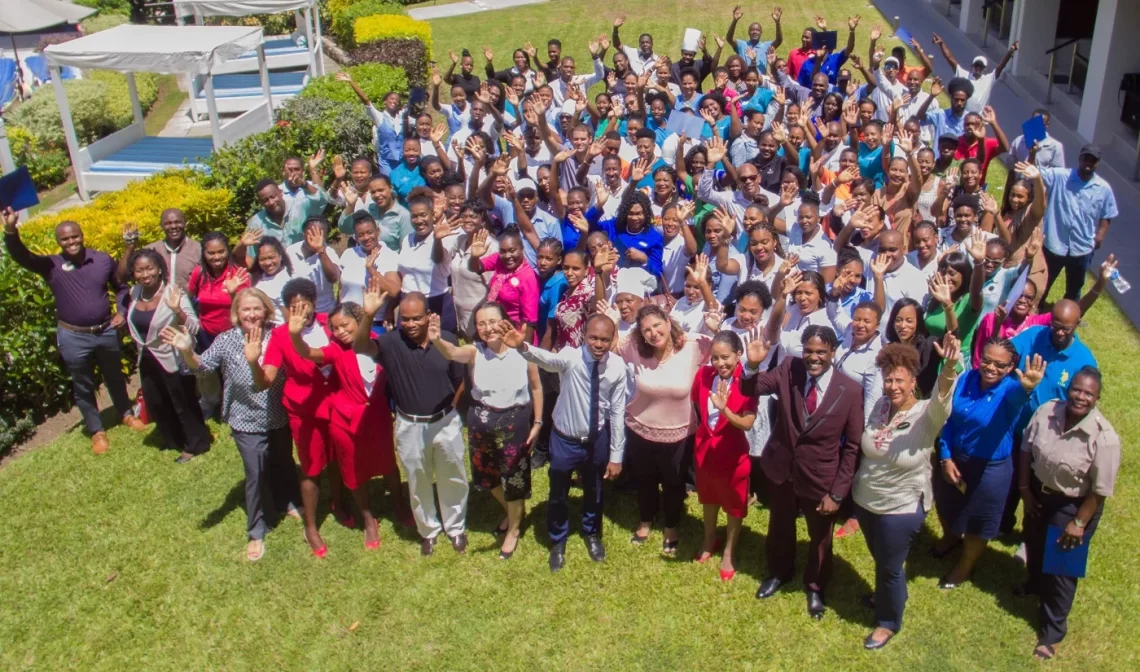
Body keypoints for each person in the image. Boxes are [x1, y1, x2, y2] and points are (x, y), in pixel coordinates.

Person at [162, 288, 302, 562]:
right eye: (245, 309)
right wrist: (188, 351)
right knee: (255, 473)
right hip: (245, 419)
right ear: (236, 313)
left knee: (283, 461)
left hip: (278, 413)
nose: (252, 314)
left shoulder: (278, 335)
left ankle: (286, 501)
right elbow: (202, 368)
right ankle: (256, 531)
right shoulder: (226, 340)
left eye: (257, 308)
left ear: (266, 311)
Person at [740, 325, 864, 619]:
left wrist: (837, 493)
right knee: (780, 526)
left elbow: (852, 447)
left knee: (820, 537)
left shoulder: (850, 390)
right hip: (782, 468)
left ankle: (816, 586)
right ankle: (779, 572)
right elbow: (750, 389)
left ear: (833, 352)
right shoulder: (788, 368)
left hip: (820, 477)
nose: (814, 357)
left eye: (821, 352)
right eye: (809, 350)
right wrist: (752, 365)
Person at [2, 209, 143, 454]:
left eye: (75, 236)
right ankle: (97, 430)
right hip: (73, 336)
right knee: (83, 384)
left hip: (105, 331)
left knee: (114, 376)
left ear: (82, 235)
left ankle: (126, 413)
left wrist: (121, 311)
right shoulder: (51, 265)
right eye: (65, 239)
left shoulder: (101, 260)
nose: (71, 242)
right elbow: (22, 256)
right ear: (59, 242)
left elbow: (120, 286)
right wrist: (11, 230)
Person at [853, 336, 961, 649]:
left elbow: (942, 399)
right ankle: (892, 594)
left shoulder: (927, 415)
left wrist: (949, 367)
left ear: (913, 382)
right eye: (888, 380)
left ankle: (888, 622)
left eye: (900, 380)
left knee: (889, 566)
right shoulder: (881, 405)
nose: (893, 386)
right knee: (883, 559)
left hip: (901, 506)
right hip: (866, 499)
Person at [501, 314, 626, 572]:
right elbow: (547, 360)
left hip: (596, 440)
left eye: (604, 339)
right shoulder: (571, 356)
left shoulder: (617, 367)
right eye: (593, 338)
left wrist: (616, 456)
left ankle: (591, 532)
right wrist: (523, 347)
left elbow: (617, 412)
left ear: (612, 338)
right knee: (558, 491)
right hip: (565, 440)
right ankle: (558, 538)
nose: (598, 344)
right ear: (584, 336)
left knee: (594, 489)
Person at [354, 282, 469, 556]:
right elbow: (359, 346)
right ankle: (428, 530)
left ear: (428, 315)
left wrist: (452, 413)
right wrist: (368, 315)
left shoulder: (447, 340)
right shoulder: (390, 343)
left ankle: (455, 527)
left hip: (445, 422)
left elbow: (461, 382)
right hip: (410, 425)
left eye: (416, 318)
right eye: (405, 319)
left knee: (453, 475)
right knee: (418, 479)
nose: (410, 324)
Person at [288, 300, 410, 550]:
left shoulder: (379, 343)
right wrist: (295, 335)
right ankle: (367, 518)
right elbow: (307, 353)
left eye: (345, 325)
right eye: (335, 328)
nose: (340, 332)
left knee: (387, 462)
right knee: (354, 470)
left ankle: (399, 504)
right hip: (346, 421)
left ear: (359, 320)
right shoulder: (335, 350)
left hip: (377, 416)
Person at [1018, 367, 1120, 661]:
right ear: (1068, 389)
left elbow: (1099, 490)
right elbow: (1026, 449)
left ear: (1097, 398)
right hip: (1039, 493)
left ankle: (1052, 633)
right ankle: (1034, 584)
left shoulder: (1104, 438)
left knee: (1062, 569)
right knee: (1034, 542)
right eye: (1077, 389)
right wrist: (1025, 489)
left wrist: (1078, 522)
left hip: (1074, 505)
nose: (1081, 397)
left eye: (1089, 393)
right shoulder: (1047, 411)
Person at [429, 303, 542, 559]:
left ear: (505, 321)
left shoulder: (523, 351)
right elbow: (452, 352)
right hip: (481, 419)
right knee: (488, 478)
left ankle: (513, 529)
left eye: (492, 321)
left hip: (515, 420)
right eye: (481, 323)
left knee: (514, 479)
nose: (487, 328)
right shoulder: (475, 351)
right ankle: (514, 511)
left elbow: (536, 388)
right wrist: (436, 340)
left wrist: (538, 423)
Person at [932, 337, 1045, 588]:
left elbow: (1019, 396)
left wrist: (1027, 388)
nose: (991, 368)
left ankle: (965, 567)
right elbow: (949, 419)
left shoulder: (1010, 391)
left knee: (977, 523)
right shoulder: (967, 378)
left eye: (1000, 365)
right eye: (987, 360)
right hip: (955, 458)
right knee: (946, 503)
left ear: (1010, 367)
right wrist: (945, 455)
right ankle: (950, 537)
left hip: (989, 469)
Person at [252, 279, 352, 556]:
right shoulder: (281, 336)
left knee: (336, 458)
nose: (300, 313)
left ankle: (338, 502)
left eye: (304, 306)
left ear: (314, 302)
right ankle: (311, 526)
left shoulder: (331, 325)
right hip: (304, 412)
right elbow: (266, 379)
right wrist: (252, 362)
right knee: (311, 467)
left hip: (336, 405)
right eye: (293, 307)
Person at [614, 304, 714, 554]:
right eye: (646, 329)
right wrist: (613, 321)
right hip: (640, 427)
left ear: (668, 323)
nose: (653, 333)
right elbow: (613, 346)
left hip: (679, 431)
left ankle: (671, 525)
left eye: (657, 325)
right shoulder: (635, 347)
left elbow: (722, 351)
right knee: (644, 478)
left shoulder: (692, 346)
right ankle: (646, 519)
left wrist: (715, 329)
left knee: (674, 481)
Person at [123, 248, 210, 463]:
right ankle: (174, 438)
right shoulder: (135, 293)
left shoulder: (173, 292)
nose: (145, 274)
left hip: (174, 356)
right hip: (147, 357)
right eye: (139, 270)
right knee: (157, 401)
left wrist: (177, 311)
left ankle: (196, 443)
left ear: (160, 269)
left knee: (183, 401)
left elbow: (194, 327)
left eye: (150, 268)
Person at [691, 330, 758, 581]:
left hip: (733, 453)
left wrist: (725, 410)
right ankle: (709, 539)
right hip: (705, 449)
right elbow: (696, 402)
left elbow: (747, 423)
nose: (720, 363)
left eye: (726, 357)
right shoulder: (704, 375)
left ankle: (730, 550)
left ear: (739, 355)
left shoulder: (747, 382)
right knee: (708, 497)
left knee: (734, 503)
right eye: (715, 358)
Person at [1037, 145, 1118, 302]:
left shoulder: (1103, 188)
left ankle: (1068, 313)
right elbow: (1035, 171)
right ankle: (1036, 309)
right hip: (1054, 243)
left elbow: (1108, 213)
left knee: (1074, 289)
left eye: (1093, 160)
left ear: (1098, 163)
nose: (1088, 163)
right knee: (1043, 283)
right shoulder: (1060, 176)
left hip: (1081, 248)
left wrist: (1100, 235)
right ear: (1080, 158)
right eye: (1086, 158)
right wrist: (1033, 153)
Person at [187, 232, 250, 418]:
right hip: (207, 332)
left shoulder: (238, 273)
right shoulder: (199, 273)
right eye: (211, 253)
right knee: (208, 372)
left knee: (234, 372)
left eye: (221, 252)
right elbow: (191, 296)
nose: (216, 257)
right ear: (204, 253)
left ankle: (236, 408)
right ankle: (211, 403)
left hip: (233, 333)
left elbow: (245, 307)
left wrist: (232, 292)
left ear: (227, 251)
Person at [467, 229, 541, 343]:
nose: (507, 256)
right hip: (494, 329)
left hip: (513, 333)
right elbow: (476, 268)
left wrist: (524, 348)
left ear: (522, 249)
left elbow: (530, 322)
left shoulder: (527, 277)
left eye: (512, 250)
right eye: (503, 251)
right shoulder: (499, 260)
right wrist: (474, 257)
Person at [118, 208, 202, 291]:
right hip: (157, 299)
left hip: (189, 299)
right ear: (161, 226)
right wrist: (130, 248)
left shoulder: (199, 250)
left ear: (185, 223)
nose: (173, 226)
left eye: (178, 222)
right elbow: (122, 278)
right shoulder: (150, 251)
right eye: (168, 223)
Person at [930, 34, 1018, 113]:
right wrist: (941, 44)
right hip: (963, 117)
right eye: (976, 65)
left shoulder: (989, 79)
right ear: (972, 66)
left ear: (985, 68)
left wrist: (1011, 51)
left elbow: (1001, 66)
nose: (978, 68)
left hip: (979, 119)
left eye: (981, 66)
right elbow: (950, 59)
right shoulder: (964, 75)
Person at [286, 217, 341, 315]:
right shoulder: (290, 252)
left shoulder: (329, 253)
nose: (315, 238)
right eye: (311, 233)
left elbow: (334, 278)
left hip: (324, 311)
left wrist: (320, 251)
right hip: (298, 311)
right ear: (303, 233)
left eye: (320, 234)